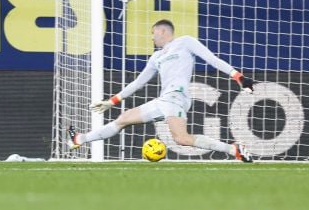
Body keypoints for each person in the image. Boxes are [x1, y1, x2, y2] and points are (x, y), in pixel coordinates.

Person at [66, 19, 255, 163]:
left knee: (182, 139)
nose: (151, 37)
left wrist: (239, 77)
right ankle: (79, 139)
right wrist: (112, 101)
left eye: (153, 32)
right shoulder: (156, 56)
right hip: (163, 100)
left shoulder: (185, 42)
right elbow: (138, 82)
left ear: (162, 31)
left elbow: (212, 59)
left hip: (177, 97)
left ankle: (233, 149)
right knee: (123, 119)